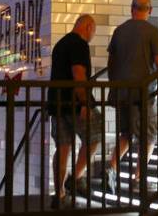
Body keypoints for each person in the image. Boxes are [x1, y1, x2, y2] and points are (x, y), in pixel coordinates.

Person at [105, 0, 158, 192]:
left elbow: (111, 64)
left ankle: (111, 167)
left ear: (132, 9)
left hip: (121, 93)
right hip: (142, 94)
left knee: (126, 133)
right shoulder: (152, 32)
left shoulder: (119, 31)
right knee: (149, 136)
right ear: (149, 10)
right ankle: (138, 179)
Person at [47, 15, 103, 208]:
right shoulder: (79, 44)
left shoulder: (60, 44)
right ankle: (76, 177)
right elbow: (79, 75)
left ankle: (60, 193)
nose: (92, 36)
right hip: (74, 103)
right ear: (87, 27)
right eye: (93, 31)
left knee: (62, 147)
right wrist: (85, 102)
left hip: (57, 103)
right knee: (95, 136)